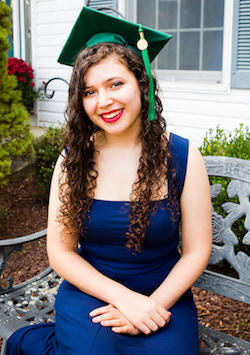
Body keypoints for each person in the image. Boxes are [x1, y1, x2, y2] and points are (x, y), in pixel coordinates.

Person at [6, 6, 212, 355]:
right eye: (89, 92)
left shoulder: (183, 157)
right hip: (92, 292)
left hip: (164, 294)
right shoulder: (73, 161)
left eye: (116, 84)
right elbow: (61, 252)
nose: (104, 101)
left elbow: (195, 251)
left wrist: (149, 306)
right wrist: (125, 300)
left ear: (141, 82)